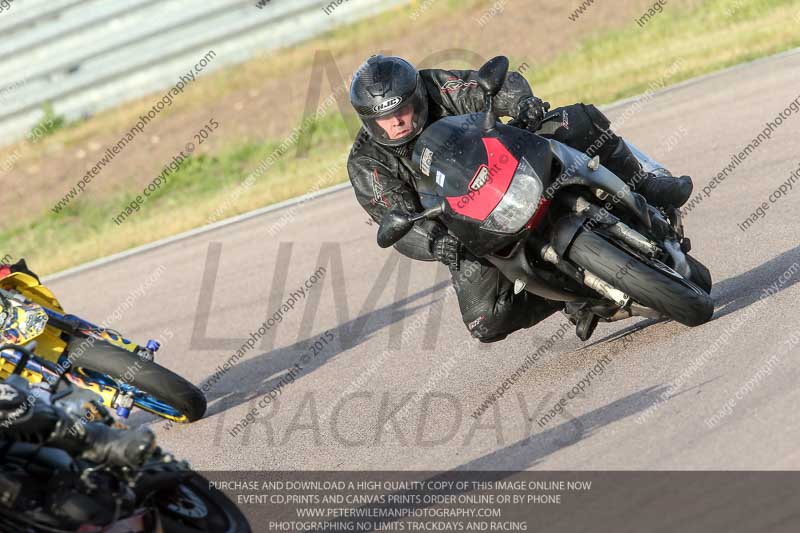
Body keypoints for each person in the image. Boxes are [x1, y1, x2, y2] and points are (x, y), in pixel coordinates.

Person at [347, 55, 693, 342]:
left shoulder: (435, 85)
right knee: (485, 320)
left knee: (575, 120)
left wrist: (523, 104)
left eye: (403, 109)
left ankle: (645, 184)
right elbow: (394, 218)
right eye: (384, 118)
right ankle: (572, 295)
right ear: (369, 121)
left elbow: (490, 87)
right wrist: (437, 243)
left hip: (507, 162)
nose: (396, 122)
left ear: (417, 97)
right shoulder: (366, 163)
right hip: (464, 223)